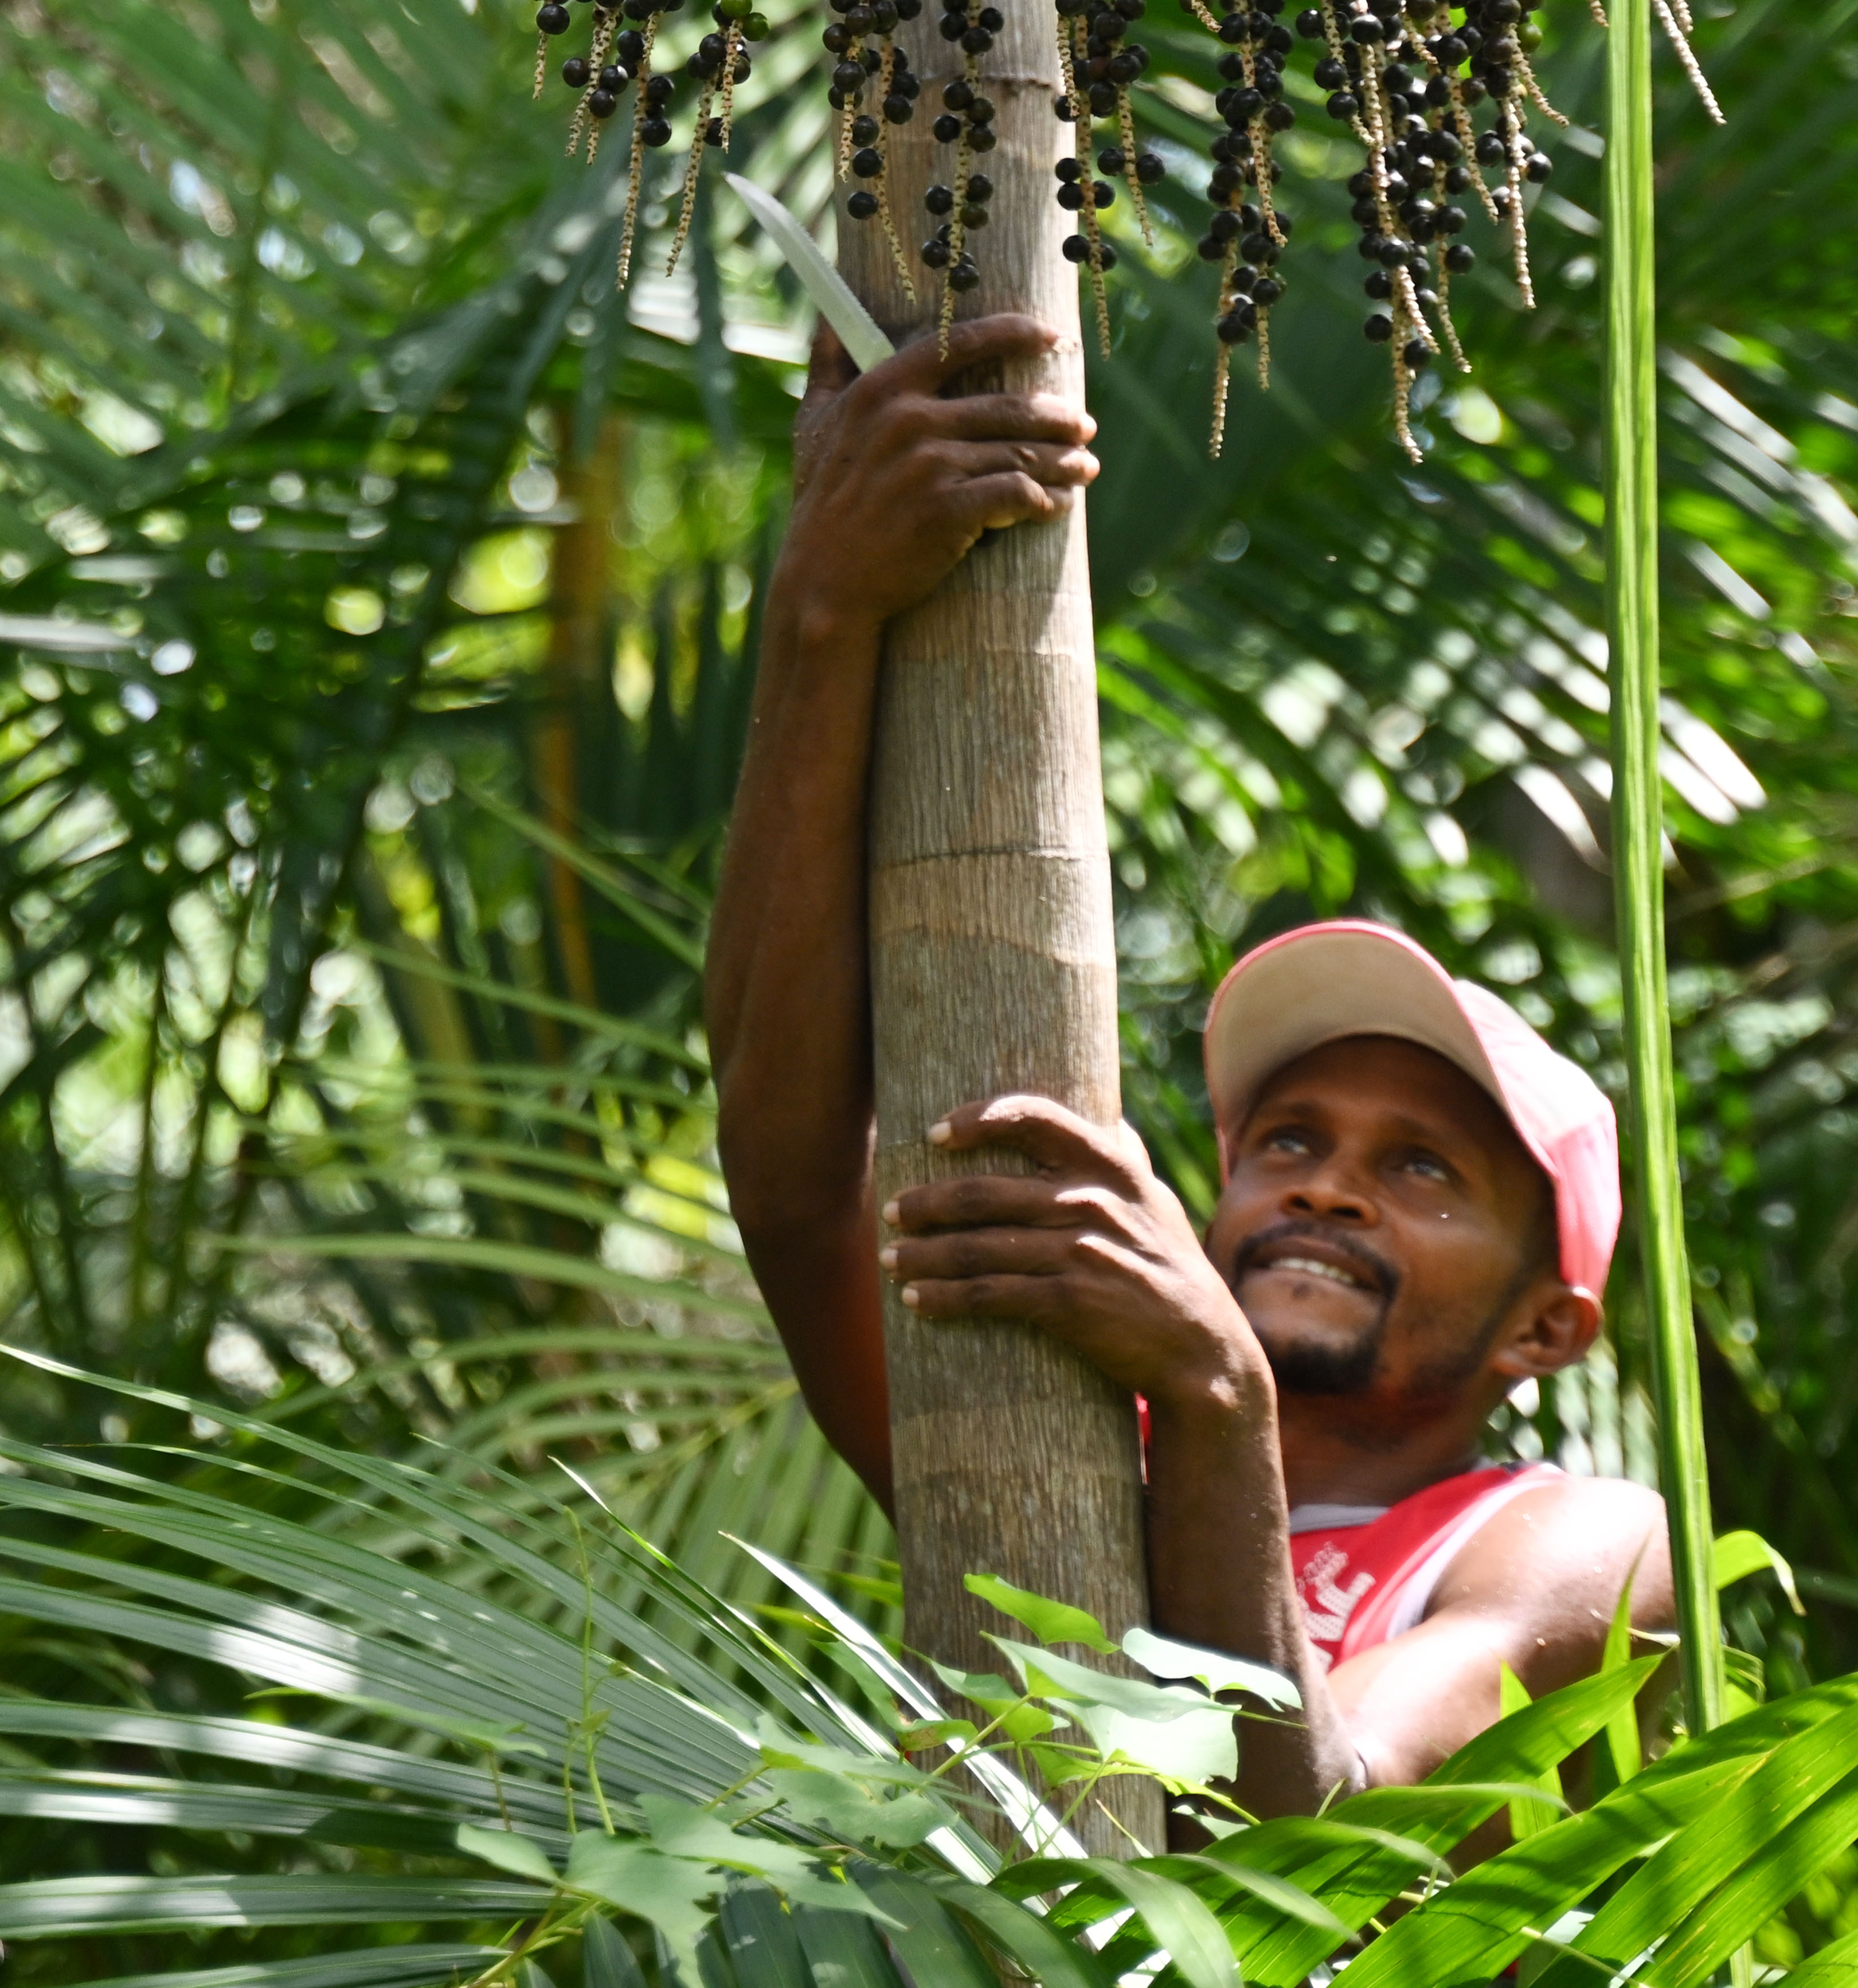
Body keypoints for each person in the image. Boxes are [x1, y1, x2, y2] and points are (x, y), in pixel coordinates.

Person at [708, 316, 1675, 1818]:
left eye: (1421, 1169)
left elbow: (1321, 1833)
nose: (1330, 1190)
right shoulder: (1071, 1443)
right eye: (1289, 1141)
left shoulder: (1571, 1546)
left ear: (1547, 1326)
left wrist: (1219, 1395)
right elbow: (792, 1189)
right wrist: (822, 610)